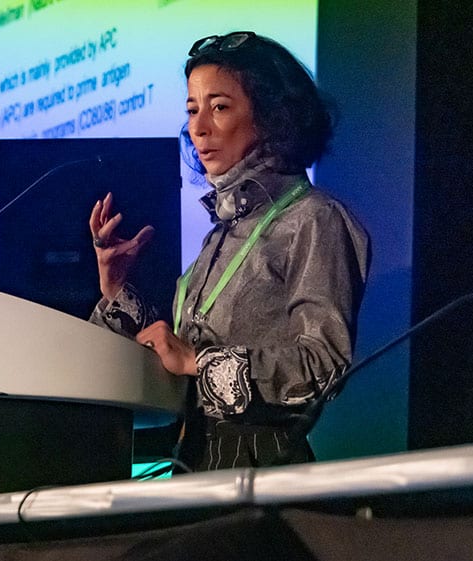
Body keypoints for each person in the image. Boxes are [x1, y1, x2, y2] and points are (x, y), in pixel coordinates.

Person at [88, 31, 370, 470]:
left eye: (219, 108)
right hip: (193, 460)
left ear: (272, 119)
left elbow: (323, 364)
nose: (198, 128)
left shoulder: (313, 218)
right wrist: (117, 288)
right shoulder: (221, 233)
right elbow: (180, 363)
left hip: (262, 471)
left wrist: (198, 361)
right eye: (192, 110)